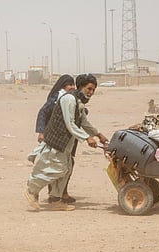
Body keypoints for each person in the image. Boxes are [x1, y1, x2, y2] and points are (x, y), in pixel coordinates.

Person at [25, 74, 109, 211]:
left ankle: (56, 200)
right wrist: (87, 138)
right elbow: (70, 124)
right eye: (89, 89)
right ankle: (31, 191)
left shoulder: (78, 102)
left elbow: (84, 122)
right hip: (57, 141)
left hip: (67, 144)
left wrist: (99, 135)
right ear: (81, 87)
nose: (91, 93)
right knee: (54, 170)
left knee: (66, 169)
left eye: (93, 90)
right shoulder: (69, 99)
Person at [32, 74, 77, 203]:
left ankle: (61, 193)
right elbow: (43, 112)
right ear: (63, 86)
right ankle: (40, 192)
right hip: (54, 137)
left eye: (73, 85)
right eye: (70, 85)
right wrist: (41, 131)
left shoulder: (70, 98)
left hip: (66, 138)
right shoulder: (57, 97)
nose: (72, 87)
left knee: (67, 164)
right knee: (53, 166)